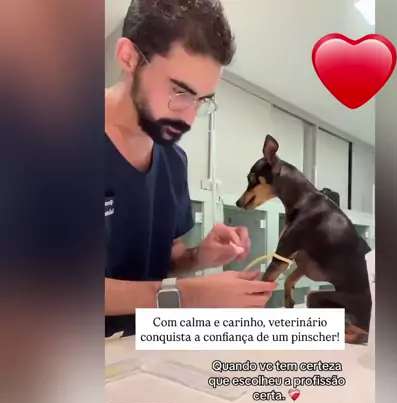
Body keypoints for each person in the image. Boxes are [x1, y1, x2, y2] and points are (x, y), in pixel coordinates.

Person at [105, 0, 277, 337]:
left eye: (202, 100)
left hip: (138, 353)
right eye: (179, 92)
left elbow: (162, 262)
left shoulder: (173, 160)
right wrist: (187, 296)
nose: (189, 118)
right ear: (128, 57)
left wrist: (200, 256)